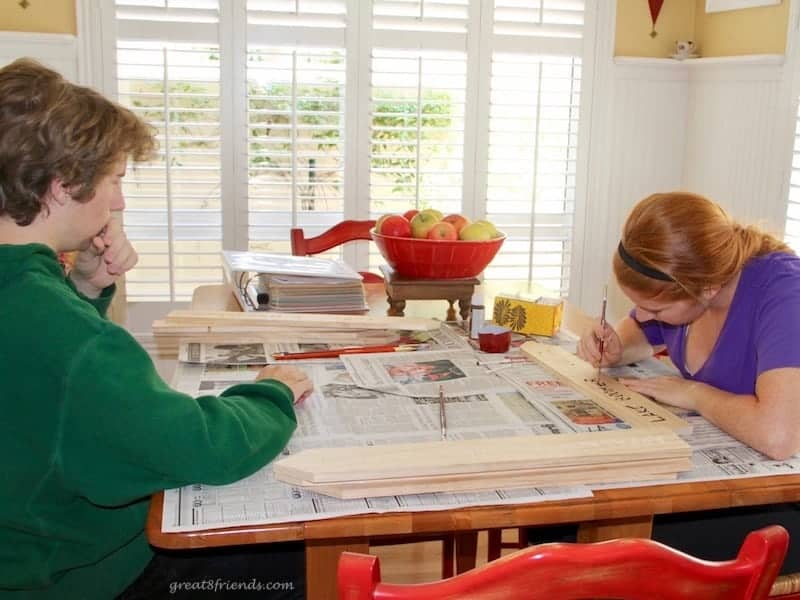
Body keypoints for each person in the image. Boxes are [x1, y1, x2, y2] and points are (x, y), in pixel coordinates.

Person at [0, 58, 313, 599]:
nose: (119, 200)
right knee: (277, 549)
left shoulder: (32, 300)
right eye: (115, 180)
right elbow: (201, 447)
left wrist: (88, 289)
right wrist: (272, 395)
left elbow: (40, 384)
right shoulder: (71, 338)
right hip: (71, 578)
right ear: (62, 183)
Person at [574, 190, 800, 571]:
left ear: (708, 289)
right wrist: (616, 349)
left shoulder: (785, 295)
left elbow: (779, 437)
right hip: (725, 491)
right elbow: (642, 332)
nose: (641, 315)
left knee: (608, 551)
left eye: (655, 308)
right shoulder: (692, 281)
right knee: (565, 525)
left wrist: (694, 394)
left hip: (781, 507)